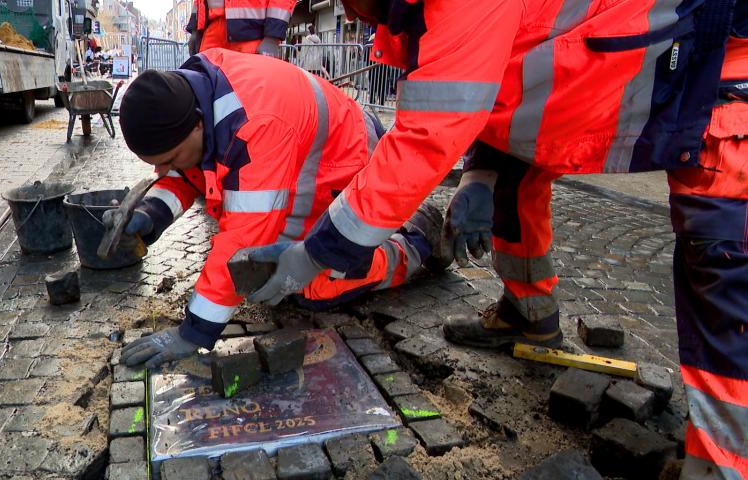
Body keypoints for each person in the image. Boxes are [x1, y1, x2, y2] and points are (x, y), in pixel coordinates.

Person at [243, 1, 746, 478]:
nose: (352, 12)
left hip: (718, 73)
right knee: (517, 186)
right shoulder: (417, 15)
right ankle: (531, 316)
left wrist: (317, 253)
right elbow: (506, 71)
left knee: (722, 275)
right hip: (607, 73)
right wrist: (482, 172)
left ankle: (723, 465)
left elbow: (424, 139)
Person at [114, 48, 445, 368]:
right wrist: (150, 213)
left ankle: (415, 241)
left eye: (167, 160)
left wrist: (193, 332)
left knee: (315, 277)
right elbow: (188, 172)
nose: (162, 171)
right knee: (278, 267)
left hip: (349, 159)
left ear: (197, 124)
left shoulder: (253, 127)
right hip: (307, 163)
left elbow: (243, 239)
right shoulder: (192, 96)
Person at [185, 0, 295, 56]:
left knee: (248, 94)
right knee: (206, 92)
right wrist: (195, 29)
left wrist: (272, 37)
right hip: (212, 33)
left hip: (253, 35)